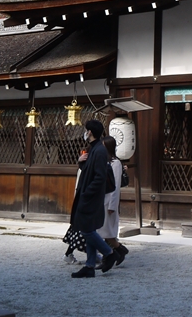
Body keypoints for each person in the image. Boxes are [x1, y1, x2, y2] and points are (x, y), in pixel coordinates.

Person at [68, 119, 117, 278]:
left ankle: (109, 253)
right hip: (89, 195)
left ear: (90, 132)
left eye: (86, 130)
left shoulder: (100, 150)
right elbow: (90, 171)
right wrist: (80, 162)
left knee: (86, 229)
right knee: (90, 229)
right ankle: (89, 265)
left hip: (91, 197)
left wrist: (87, 193)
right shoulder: (94, 149)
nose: (85, 132)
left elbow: (99, 177)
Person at [99, 135, 129, 266]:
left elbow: (115, 185)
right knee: (104, 231)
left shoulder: (115, 163)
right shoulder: (103, 161)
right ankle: (117, 251)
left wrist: (112, 205)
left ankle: (113, 253)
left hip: (109, 201)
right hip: (101, 200)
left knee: (107, 231)